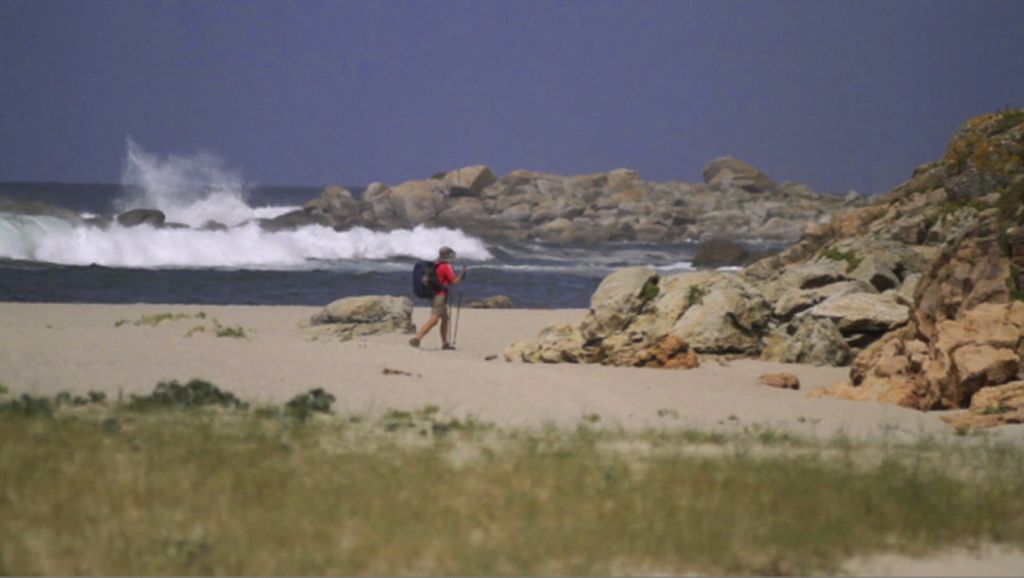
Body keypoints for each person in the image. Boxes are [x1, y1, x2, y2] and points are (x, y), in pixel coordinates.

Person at [409, 246, 465, 349]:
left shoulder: (437, 264)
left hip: (434, 294)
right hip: (440, 296)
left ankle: (445, 343)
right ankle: (417, 338)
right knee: (434, 320)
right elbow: (455, 281)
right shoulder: (447, 266)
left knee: (445, 319)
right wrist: (462, 274)